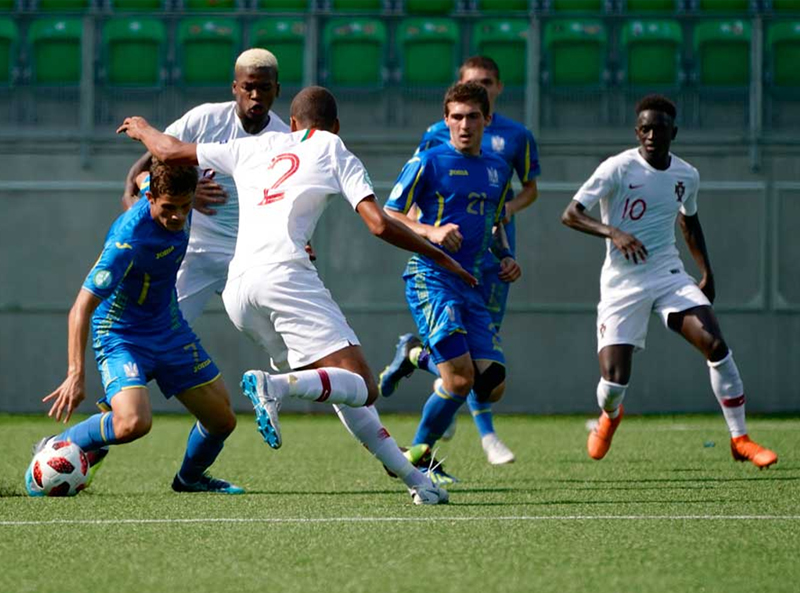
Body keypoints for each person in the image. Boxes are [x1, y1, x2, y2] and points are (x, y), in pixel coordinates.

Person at [116, 86, 479, 505]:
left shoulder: (254, 145)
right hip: (285, 276)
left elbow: (172, 149)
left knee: (341, 389)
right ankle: (275, 386)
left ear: (290, 124)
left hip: (240, 291)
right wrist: (441, 257)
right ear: (336, 126)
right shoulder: (332, 146)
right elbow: (378, 224)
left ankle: (417, 481)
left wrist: (142, 129)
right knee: (363, 384)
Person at [561, 94, 777, 469]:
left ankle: (740, 439)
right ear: (637, 131)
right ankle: (610, 416)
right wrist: (614, 232)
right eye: (644, 128)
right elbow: (571, 214)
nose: (650, 135)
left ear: (672, 132)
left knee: (715, 343)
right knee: (613, 385)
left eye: (658, 129)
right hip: (622, 284)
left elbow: (688, 221)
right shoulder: (617, 168)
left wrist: (706, 270)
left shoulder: (686, 175)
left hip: (667, 274)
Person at [25, 161, 243, 496]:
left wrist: (148, 146)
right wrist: (75, 373)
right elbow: (80, 308)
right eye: (168, 209)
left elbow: (144, 175)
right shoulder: (128, 242)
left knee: (222, 421)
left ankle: (190, 480)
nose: (177, 217)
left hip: (169, 330)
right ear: (152, 199)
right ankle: (59, 443)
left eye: (185, 207)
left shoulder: (167, 195)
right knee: (133, 423)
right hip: (121, 336)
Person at [378, 56, 540, 465]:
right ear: (445, 120)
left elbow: (494, 224)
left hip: (473, 282)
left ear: (487, 119)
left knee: (491, 384)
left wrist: (506, 256)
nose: (464, 125)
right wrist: (431, 232)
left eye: (472, 117)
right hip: (431, 276)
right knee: (460, 377)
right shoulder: (429, 160)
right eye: (456, 117)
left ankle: (414, 355)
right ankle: (418, 456)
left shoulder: (498, 168)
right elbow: (389, 212)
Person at [122, 48, 290, 324]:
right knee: (160, 328)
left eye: (265, 88)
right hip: (195, 250)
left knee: (284, 338)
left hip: (250, 257)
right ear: (235, 87)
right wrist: (184, 195)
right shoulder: (204, 120)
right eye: (248, 87)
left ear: (277, 90)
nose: (256, 96)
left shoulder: (284, 140)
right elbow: (137, 176)